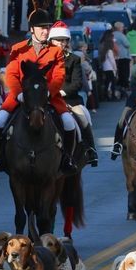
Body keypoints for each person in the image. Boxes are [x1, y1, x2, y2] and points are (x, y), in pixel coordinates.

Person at [0, 9, 76, 174]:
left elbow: (59, 76)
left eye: (47, 28)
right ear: (32, 29)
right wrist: (19, 93)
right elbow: (11, 74)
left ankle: (66, 158)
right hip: (21, 96)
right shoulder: (18, 48)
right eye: (41, 28)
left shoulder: (56, 51)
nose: (45, 31)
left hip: (48, 97)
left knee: (68, 122)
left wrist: (48, 92)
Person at [49, 23, 98, 166]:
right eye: (58, 40)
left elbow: (77, 83)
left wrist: (61, 92)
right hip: (46, 98)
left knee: (83, 118)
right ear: (51, 41)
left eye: (64, 40)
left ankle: (90, 150)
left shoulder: (74, 59)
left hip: (68, 99)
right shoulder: (44, 58)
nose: (62, 43)